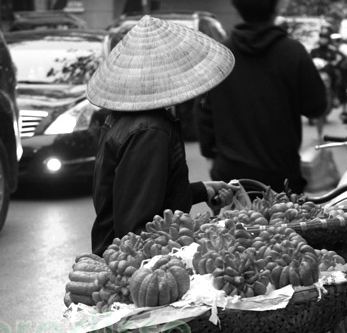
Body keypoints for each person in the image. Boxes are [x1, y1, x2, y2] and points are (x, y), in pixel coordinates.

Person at [86, 16, 239, 257]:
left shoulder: (132, 118)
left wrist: (203, 190)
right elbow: (138, 228)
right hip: (132, 265)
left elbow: (150, 195)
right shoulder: (150, 131)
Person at [195, 0, 327, 195]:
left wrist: (210, 157)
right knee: (285, 226)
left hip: (230, 178)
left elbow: (203, 111)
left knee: (235, 226)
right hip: (281, 177)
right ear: (276, 8)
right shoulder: (293, 53)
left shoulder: (220, 55)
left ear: (238, 9)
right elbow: (316, 107)